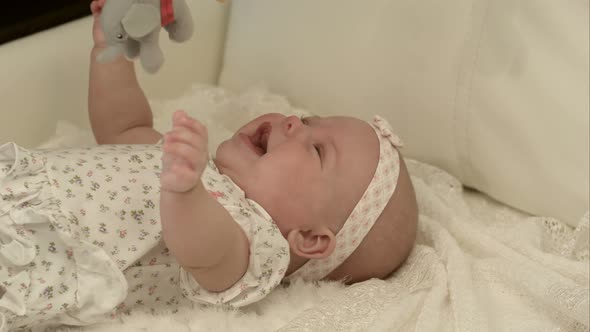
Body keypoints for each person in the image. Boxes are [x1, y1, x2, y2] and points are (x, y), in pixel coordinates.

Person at [0, 0, 418, 330]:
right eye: (308, 120)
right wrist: (110, 51)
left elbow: (204, 250)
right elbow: (123, 127)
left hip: (27, 261)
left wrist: (186, 191)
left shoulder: (252, 250)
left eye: (316, 150)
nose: (293, 121)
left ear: (308, 238)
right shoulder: (194, 169)